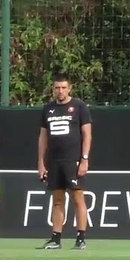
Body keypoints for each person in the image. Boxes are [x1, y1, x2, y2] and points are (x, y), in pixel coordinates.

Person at [36, 73, 92, 250]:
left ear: (70, 88)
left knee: (77, 198)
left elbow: (87, 134)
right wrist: (41, 162)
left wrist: (84, 159)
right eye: (57, 88)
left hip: (73, 160)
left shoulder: (79, 106)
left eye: (63, 88)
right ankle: (56, 238)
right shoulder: (48, 109)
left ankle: (81, 237)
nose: (60, 91)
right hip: (54, 161)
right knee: (58, 200)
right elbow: (43, 137)